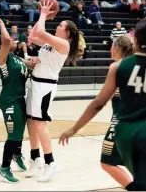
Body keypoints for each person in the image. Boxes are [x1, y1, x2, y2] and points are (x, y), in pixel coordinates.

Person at [59, 19, 146, 191]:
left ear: (136, 39)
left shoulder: (118, 67)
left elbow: (98, 103)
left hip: (126, 133)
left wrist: (74, 129)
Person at [25, 1, 80, 182]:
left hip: (45, 86)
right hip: (35, 82)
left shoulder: (63, 45)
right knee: (31, 122)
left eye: (60, 25)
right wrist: (44, 17)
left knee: (40, 124)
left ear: (68, 33)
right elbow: (33, 36)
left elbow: (40, 32)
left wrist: (42, 14)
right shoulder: (51, 42)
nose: (57, 26)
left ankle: (51, 163)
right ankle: (35, 158)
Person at [0, 14, 39, 183]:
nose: (15, 40)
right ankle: (4, 167)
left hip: (19, 98)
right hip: (9, 100)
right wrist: (1, 24)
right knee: (14, 135)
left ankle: (17, 154)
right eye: (12, 40)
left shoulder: (17, 58)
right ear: (3, 45)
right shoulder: (3, 58)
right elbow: (8, 40)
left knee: (19, 132)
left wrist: (38, 59)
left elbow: (32, 65)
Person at [100, 36, 134, 189]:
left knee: (107, 162)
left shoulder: (116, 67)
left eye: (111, 46)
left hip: (121, 122)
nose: (110, 49)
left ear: (117, 48)